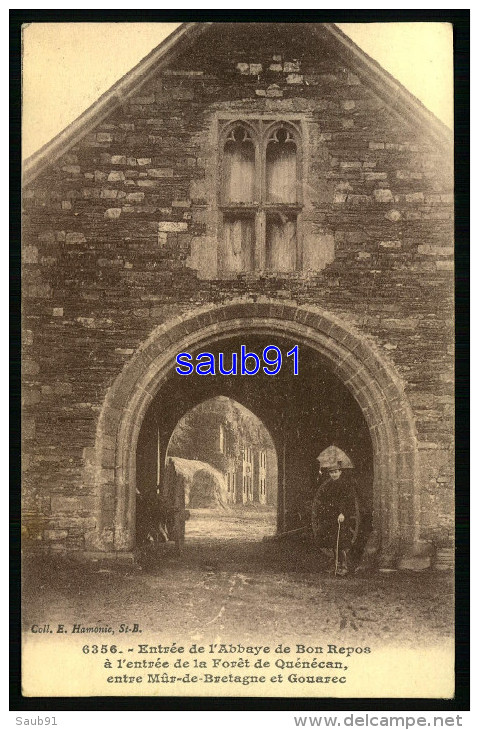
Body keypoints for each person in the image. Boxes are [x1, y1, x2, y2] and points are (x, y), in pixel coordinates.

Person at [311, 461, 358, 576]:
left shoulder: (346, 485)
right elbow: (322, 501)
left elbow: (349, 502)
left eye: (336, 472)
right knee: (332, 541)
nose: (334, 475)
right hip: (330, 518)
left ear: (340, 472)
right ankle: (335, 564)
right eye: (332, 473)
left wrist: (343, 513)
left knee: (341, 542)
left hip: (341, 518)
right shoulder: (328, 486)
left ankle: (344, 566)